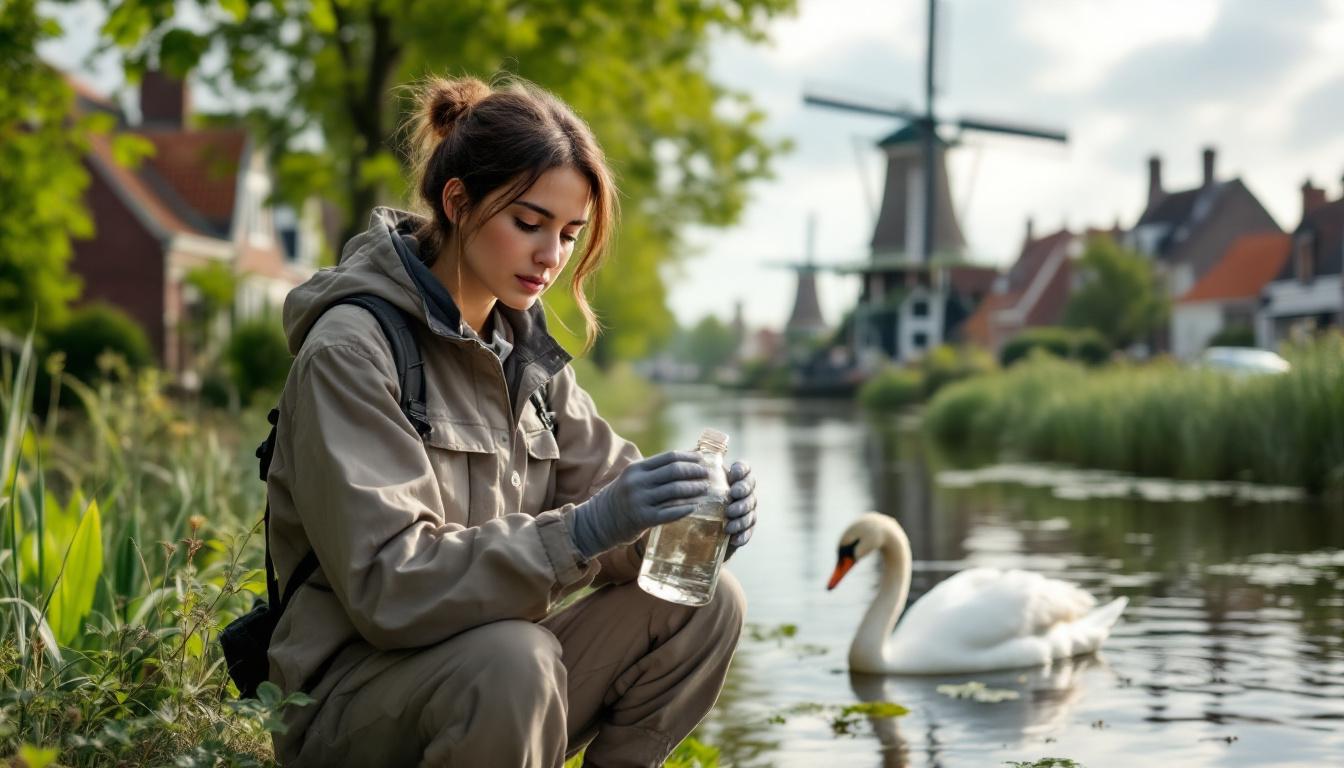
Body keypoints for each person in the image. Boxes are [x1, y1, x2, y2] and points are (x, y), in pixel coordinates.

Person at [263, 74, 759, 768]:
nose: (551, 257)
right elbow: (388, 588)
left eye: (569, 234)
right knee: (515, 660)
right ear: (457, 202)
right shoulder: (352, 351)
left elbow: (614, 507)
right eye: (529, 224)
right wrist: (585, 529)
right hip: (350, 698)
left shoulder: (529, 359)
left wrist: (691, 519)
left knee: (706, 602)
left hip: (499, 675)